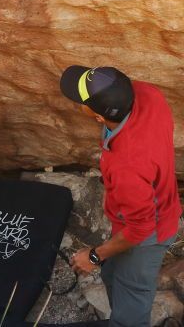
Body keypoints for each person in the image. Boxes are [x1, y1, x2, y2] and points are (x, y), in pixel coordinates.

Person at [61, 65, 181, 327]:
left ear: (99, 117)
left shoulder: (127, 164)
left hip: (149, 233)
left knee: (131, 308)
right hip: (144, 207)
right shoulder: (147, 94)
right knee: (114, 275)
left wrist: (93, 256)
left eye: (82, 102)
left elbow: (141, 229)